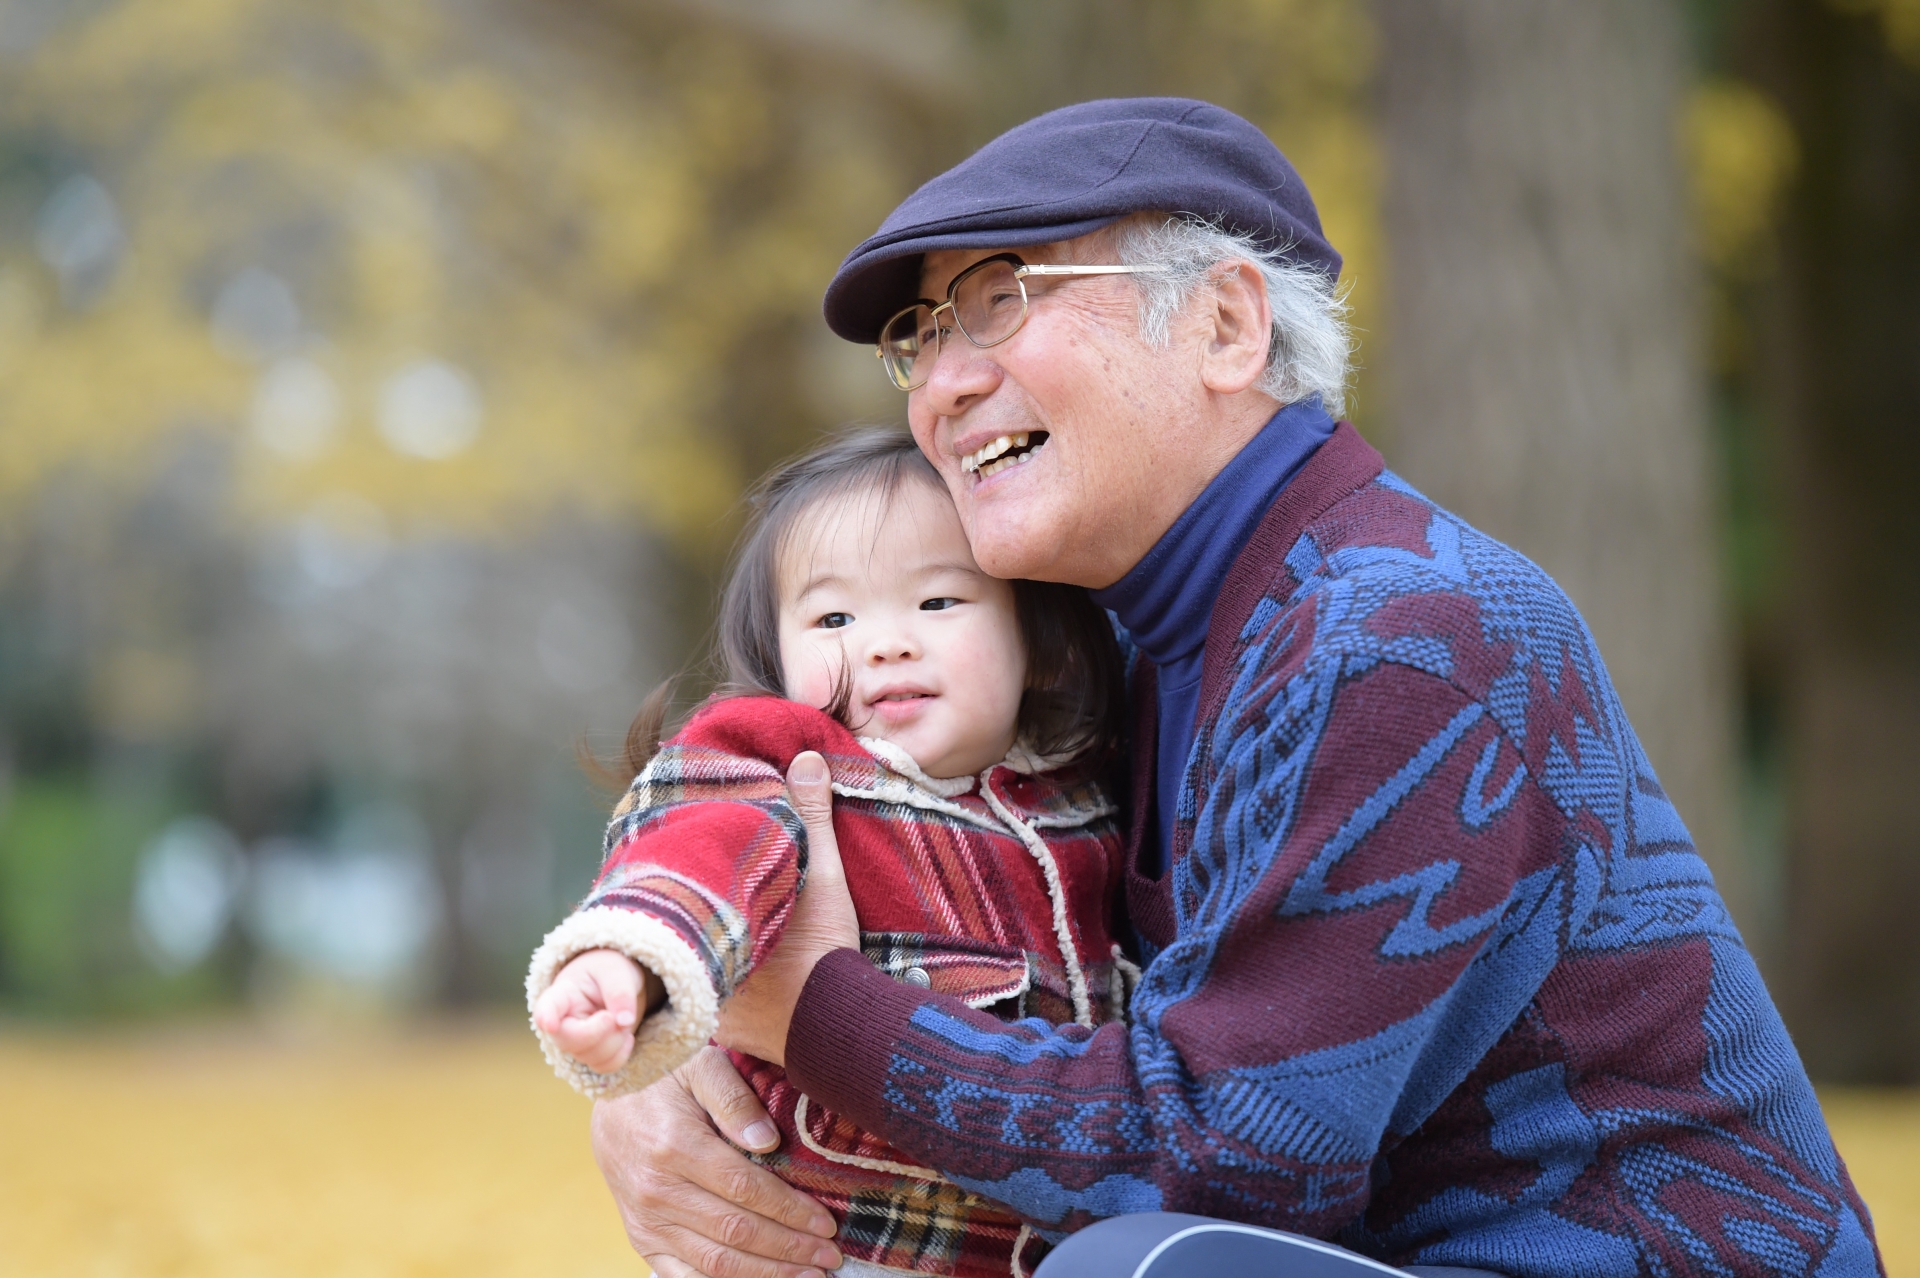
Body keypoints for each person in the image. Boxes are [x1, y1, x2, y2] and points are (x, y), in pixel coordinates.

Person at [593, 99, 1884, 1278]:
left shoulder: (1398, 633)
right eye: (919, 338)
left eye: (998, 301)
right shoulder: (1111, 647)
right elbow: (864, 865)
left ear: (1225, 324)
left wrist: (813, 1008)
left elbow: (1232, 1160)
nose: (940, 382)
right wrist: (673, 1035)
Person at [527, 429, 1138, 1278]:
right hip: (840, 1247)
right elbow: (699, 844)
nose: (886, 642)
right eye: (835, 617)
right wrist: (633, 961)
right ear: (777, 657)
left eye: (938, 603)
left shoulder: (1091, 796)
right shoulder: (789, 766)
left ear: (1042, 642)